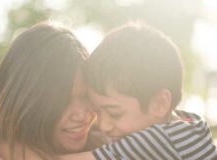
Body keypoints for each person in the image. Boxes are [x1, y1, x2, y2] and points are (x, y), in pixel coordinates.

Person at [60, 22, 217, 160]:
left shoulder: (156, 140)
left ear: (160, 103)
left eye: (114, 114)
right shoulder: (189, 124)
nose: (103, 126)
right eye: (98, 112)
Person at [0, 22, 99, 160]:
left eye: (86, 96)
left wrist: (0, 141)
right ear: (28, 100)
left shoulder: (114, 146)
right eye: (64, 101)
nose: (81, 115)